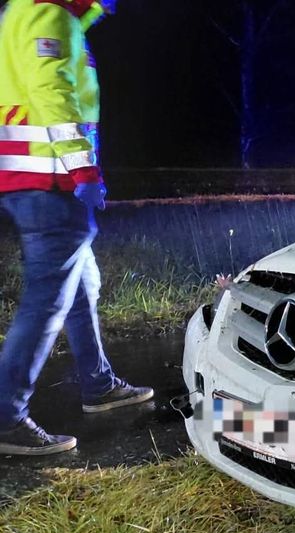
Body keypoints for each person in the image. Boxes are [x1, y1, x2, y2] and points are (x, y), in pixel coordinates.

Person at [0, 0, 152, 457]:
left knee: (80, 283)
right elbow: (52, 94)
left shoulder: (25, 13)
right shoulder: (49, 13)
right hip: (50, 179)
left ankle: (98, 384)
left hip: (37, 178)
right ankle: (6, 417)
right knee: (48, 298)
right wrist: (83, 171)